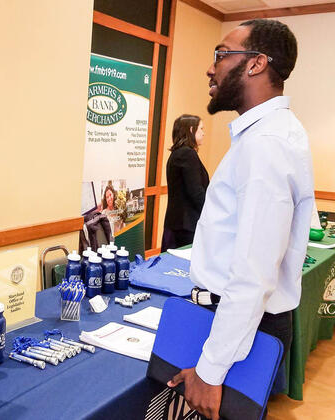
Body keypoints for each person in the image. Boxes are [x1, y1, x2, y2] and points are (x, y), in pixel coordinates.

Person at [167, 19, 313, 420]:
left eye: (220, 54)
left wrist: (211, 371)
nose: (210, 68)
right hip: (240, 325)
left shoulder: (266, 144)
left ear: (255, 65)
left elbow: (253, 275)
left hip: (243, 333)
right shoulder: (269, 135)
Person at [161, 114, 209, 252]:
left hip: (178, 222)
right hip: (186, 224)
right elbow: (195, 192)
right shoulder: (187, 154)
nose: (204, 133)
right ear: (191, 129)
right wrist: (209, 212)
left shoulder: (177, 153)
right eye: (201, 129)